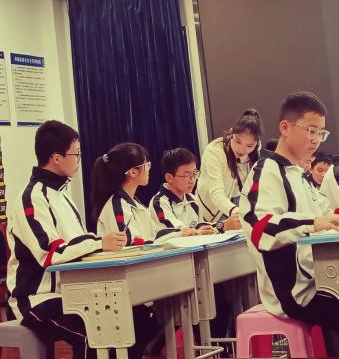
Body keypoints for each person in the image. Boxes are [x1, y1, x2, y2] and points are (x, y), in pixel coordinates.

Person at [239, 91, 339, 356]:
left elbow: (331, 213)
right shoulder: (267, 170)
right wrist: (314, 222)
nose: (316, 139)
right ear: (285, 127)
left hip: (321, 280)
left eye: (321, 133)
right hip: (294, 291)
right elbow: (261, 230)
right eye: (311, 131)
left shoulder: (300, 175)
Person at [6, 121, 131, 359]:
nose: (79, 160)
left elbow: (78, 247)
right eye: (76, 154)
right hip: (37, 298)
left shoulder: (63, 196)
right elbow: (50, 254)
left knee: (128, 320)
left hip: (72, 292)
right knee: (93, 331)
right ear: (56, 158)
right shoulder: (31, 198)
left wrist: (102, 246)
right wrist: (98, 242)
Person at [91, 143, 178, 244]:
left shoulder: (137, 205)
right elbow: (133, 245)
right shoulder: (118, 207)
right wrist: (177, 234)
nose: (149, 168)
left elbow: (154, 235)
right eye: (146, 164)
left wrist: (179, 233)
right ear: (133, 172)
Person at [197, 109, 262, 228]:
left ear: (257, 143)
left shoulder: (256, 149)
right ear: (231, 133)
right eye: (237, 141)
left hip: (238, 199)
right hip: (213, 205)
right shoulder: (214, 151)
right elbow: (216, 192)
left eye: (249, 146)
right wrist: (235, 211)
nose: (242, 149)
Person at [150, 148, 235, 234]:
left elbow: (202, 228)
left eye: (194, 174)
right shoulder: (160, 203)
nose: (193, 180)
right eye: (187, 175)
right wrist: (221, 226)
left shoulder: (193, 199)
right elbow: (176, 232)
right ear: (169, 178)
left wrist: (222, 225)